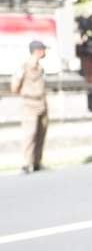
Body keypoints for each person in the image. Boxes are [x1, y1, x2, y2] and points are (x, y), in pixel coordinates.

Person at [11, 40, 48, 174]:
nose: (45, 52)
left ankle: (37, 162)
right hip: (30, 104)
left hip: (42, 103)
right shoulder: (24, 67)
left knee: (41, 133)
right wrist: (27, 94)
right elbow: (14, 86)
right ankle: (26, 163)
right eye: (43, 49)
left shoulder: (40, 67)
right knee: (29, 134)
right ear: (37, 50)